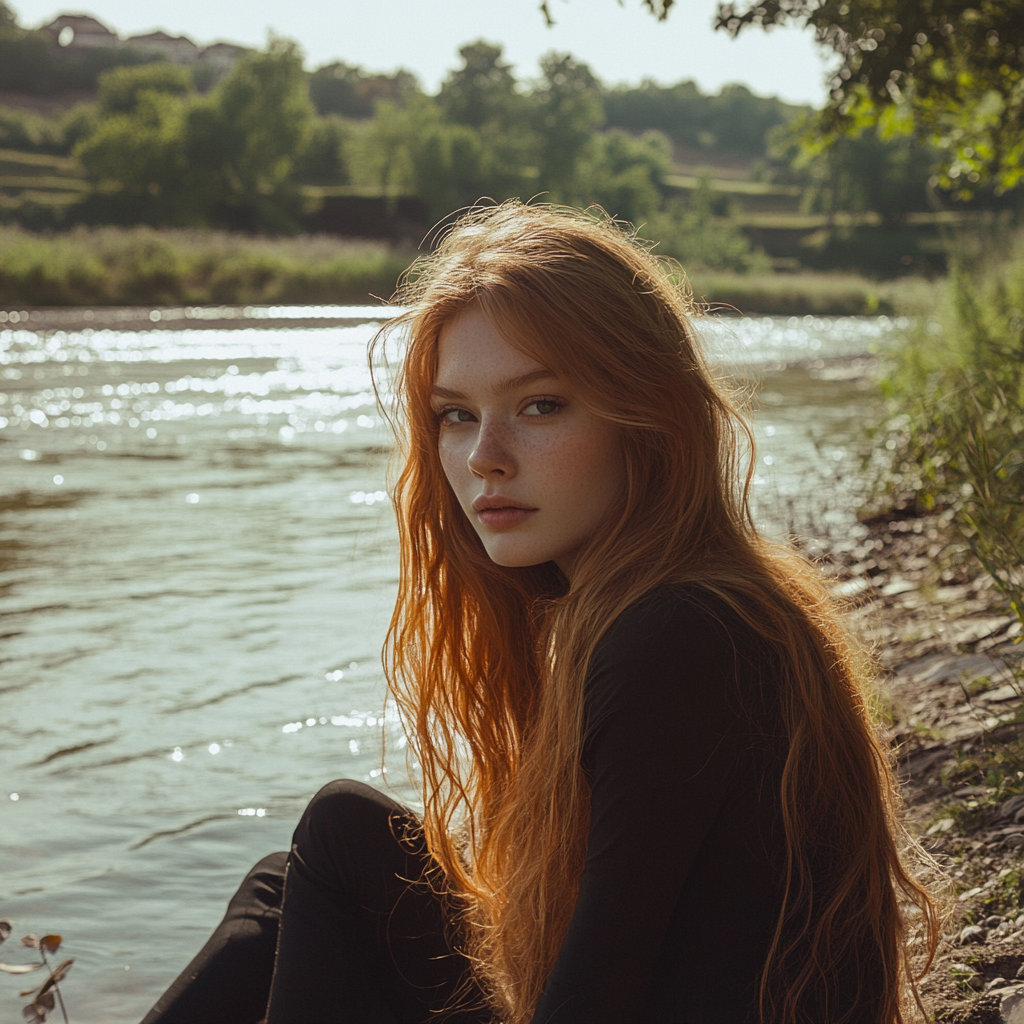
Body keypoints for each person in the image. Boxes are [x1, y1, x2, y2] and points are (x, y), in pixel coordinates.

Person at [142, 202, 939, 1024]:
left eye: (540, 405)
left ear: (648, 416)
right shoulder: (693, 598)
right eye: (457, 415)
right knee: (327, 854)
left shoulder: (677, 636)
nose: (484, 457)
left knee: (334, 837)